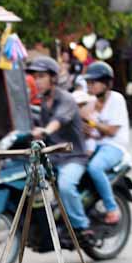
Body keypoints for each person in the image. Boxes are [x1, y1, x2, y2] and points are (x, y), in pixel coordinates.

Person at [25, 55, 93, 245]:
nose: (37, 81)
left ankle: (82, 226)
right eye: (35, 77)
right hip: (53, 157)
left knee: (65, 186)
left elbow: (59, 120)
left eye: (41, 77)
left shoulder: (66, 100)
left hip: (73, 156)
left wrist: (46, 130)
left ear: (53, 78)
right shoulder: (43, 101)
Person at [83, 61, 131, 225]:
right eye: (89, 82)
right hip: (95, 146)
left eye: (94, 82)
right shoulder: (91, 103)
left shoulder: (117, 99)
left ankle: (112, 208)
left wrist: (92, 123)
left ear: (107, 83)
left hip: (114, 147)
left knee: (94, 167)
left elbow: (112, 131)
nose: (90, 86)